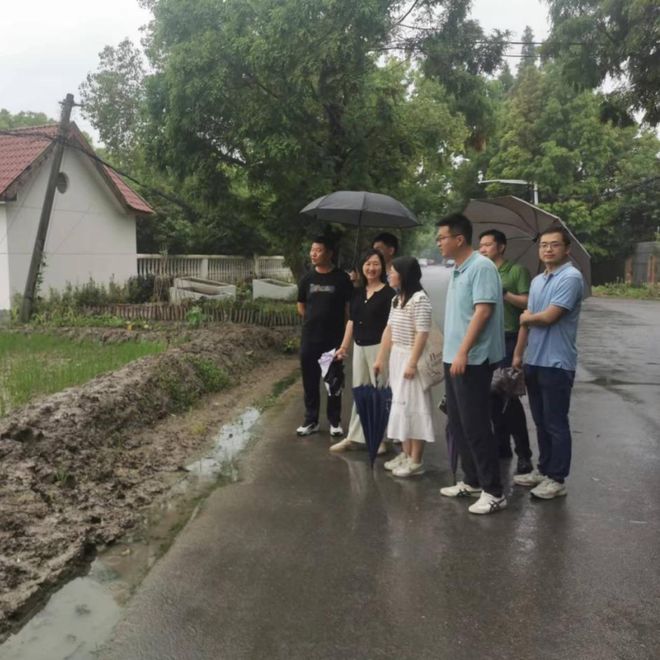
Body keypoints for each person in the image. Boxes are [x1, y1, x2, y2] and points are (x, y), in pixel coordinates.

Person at [436, 213, 507, 515]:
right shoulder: (458, 269)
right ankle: (473, 480)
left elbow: (483, 312)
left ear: (459, 238)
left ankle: (494, 491)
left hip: (473, 360)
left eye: (442, 237)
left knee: (476, 424)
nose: (439, 243)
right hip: (454, 358)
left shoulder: (482, 267)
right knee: (457, 421)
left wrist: (463, 351)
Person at [512, 225, 584, 499]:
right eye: (543, 245)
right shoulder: (537, 281)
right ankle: (543, 469)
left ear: (567, 249)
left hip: (557, 363)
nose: (548, 249)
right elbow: (528, 321)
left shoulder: (571, 277)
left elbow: (548, 317)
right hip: (535, 360)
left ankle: (557, 478)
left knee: (556, 422)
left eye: (554, 244)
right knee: (540, 421)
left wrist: (527, 316)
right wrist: (519, 355)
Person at [478, 229, 533, 475]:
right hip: (487, 340)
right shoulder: (482, 271)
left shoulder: (516, 271)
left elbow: (527, 304)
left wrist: (504, 292)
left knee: (508, 396)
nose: (482, 249)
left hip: (509, 337)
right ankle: (502, 446)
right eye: (480, 245)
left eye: (487, 245)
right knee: (490, 395)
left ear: (501, 247)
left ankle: (524, 454)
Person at [373, 256, 435, 477]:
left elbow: (422, 334)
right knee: (400, 407)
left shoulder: (419, 300)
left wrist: (412, 363)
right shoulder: (397, 299)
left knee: (414, 408)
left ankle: (416, 460)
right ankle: (406, 454)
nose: (388, 274)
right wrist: (381, 358)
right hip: (397, 356)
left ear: (404, 274)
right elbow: (388, 330)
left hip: (412, 359)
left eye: (392, 271)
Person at [330, 249, 396, 452]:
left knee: (380, 393)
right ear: (361, 267)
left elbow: (391, 326)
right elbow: (351, 321)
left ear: (382, 267)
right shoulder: (357, 292)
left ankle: (380, 438)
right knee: (361, 392)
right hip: (360, 346)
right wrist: (343, 346)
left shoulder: (389, 294)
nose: (371, 268)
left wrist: (384, 354)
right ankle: (355, 437)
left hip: (380, 348)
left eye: (376, 263)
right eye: (367, 264)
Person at [296, 236, 353, 437]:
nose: (313, 254)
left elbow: (348, 309)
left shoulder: (342, 279)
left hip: (332, 340)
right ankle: (311, 420)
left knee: (333, 382)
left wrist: (343, 332)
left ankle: (335, 421)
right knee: (309, 382)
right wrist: (313, 320)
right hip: (310, 339)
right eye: (312, 250)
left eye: (318, 250)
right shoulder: (307, 279)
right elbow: (301, 304)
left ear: (329, 253)